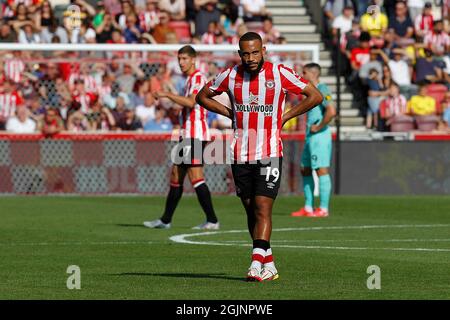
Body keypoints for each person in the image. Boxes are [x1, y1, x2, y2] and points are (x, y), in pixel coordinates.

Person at [196, 32, 323, 281]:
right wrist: (228, 112)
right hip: (240, 152)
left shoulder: (280, 73)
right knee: (251, 211)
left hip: (269, 152)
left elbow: (315, 96)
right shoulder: (230, 76)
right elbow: (201, 96)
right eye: (245, 53)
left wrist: (286, 115)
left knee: (263, 208)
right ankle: (269, 263)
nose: (251, 57)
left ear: (263, 50)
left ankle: (255, 263)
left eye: (255, 52)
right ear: (239, 53)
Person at [143, 45, 220, 230]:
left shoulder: (198, 78)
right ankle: (166, 220)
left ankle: (212, 220)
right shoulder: (189, 80)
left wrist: (167, 94)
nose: (181, 62)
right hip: (187, 133)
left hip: (195, 134)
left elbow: (192, 101)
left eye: (184, 59)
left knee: (195, 176)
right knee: (176, 175)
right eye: (179, 59)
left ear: (193, 59)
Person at [291, 63, 336, 218]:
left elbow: (331, 111)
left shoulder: (322, 89)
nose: (302, 75)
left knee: (321, 169)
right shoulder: (310, 90)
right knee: (305, 168)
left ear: (313, 73)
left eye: (304, 72)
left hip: (319, 136)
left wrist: (319, 126)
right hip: (310, 136)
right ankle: (308, 207)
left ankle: (323, 209)